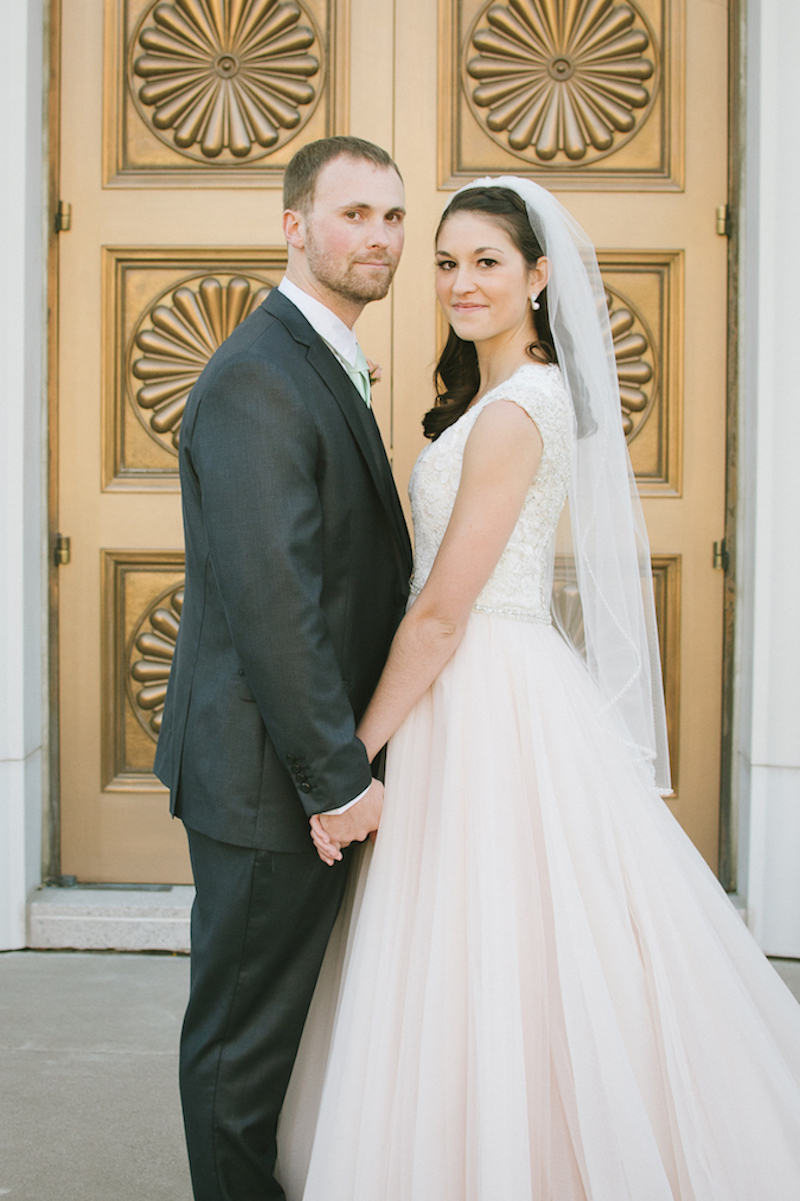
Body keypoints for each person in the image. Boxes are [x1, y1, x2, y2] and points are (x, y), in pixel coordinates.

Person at [274, 178, 800, 1200]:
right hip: (480, 686)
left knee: (504, 937)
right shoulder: (493, 396)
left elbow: (438, 614)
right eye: (445, 262)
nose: (459, 283)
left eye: (485, 263)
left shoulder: (520, 409)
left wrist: (352, 754)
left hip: (482, 692)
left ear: (537, 276)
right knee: (472, 945)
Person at [153, 136, 412, 1201]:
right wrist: (337, 779)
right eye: (353, 214)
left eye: (393, 217)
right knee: (240, 1044)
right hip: (269, 776)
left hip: (287, 767)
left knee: (265, 1029)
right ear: (292, 226)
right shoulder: (259, 375)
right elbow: (275, 609)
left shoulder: (317, 356)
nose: (379, 238)